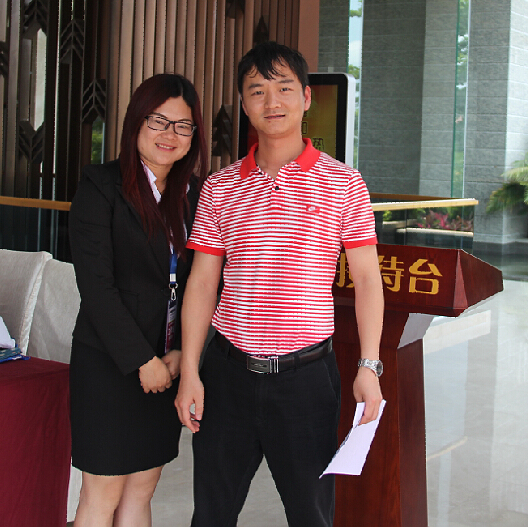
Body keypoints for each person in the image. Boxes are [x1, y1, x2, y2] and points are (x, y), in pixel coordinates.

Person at [175, 41, 384, 527]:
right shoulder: (219, 186)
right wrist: (190, 371)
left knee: (311, 515)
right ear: (244, 104)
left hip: (306, 380)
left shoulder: (344, 183)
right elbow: (202, 283)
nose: (272, 102)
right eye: (257, 91)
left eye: (284, 88)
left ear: (306, 98)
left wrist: (369, 365)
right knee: (211, 515)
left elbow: (368, 280)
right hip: (227, 374)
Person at [68, 73, 208, 527]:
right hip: (109, 364)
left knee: (141, 490)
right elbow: (96, 287)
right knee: (102, 494)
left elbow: (204, 283)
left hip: (168, 367)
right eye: (158, 121)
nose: (170, 134)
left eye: (182, 126)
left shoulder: (196, 194)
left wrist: (182, 353)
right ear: (136, 123)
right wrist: (141, 361)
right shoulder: (101, 185)